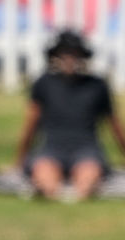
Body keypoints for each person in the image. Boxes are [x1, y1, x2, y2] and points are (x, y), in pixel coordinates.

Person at [15, 29, 125, 201]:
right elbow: (31, 124)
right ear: (56, 56)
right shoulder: (44, 83)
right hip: (52, 148)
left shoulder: (97, 85)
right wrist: (21, 159)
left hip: (87, 149)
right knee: (47, 181)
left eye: (74, 54)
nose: (69, 59)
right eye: (65, 53)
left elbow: (114, 125)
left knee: (86, 183)